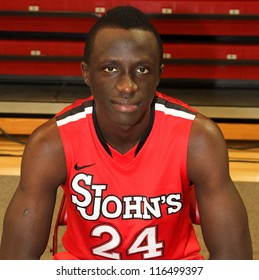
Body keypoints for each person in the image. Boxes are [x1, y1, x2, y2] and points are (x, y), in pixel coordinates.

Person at [0, 5, 252, 260]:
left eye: (142, 70)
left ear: (159, 75)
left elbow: (234, 261)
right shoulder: (51, 144)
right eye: (110, 68)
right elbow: (16, 263)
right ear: (86, 73)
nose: (127, 86)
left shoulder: (198, 140)